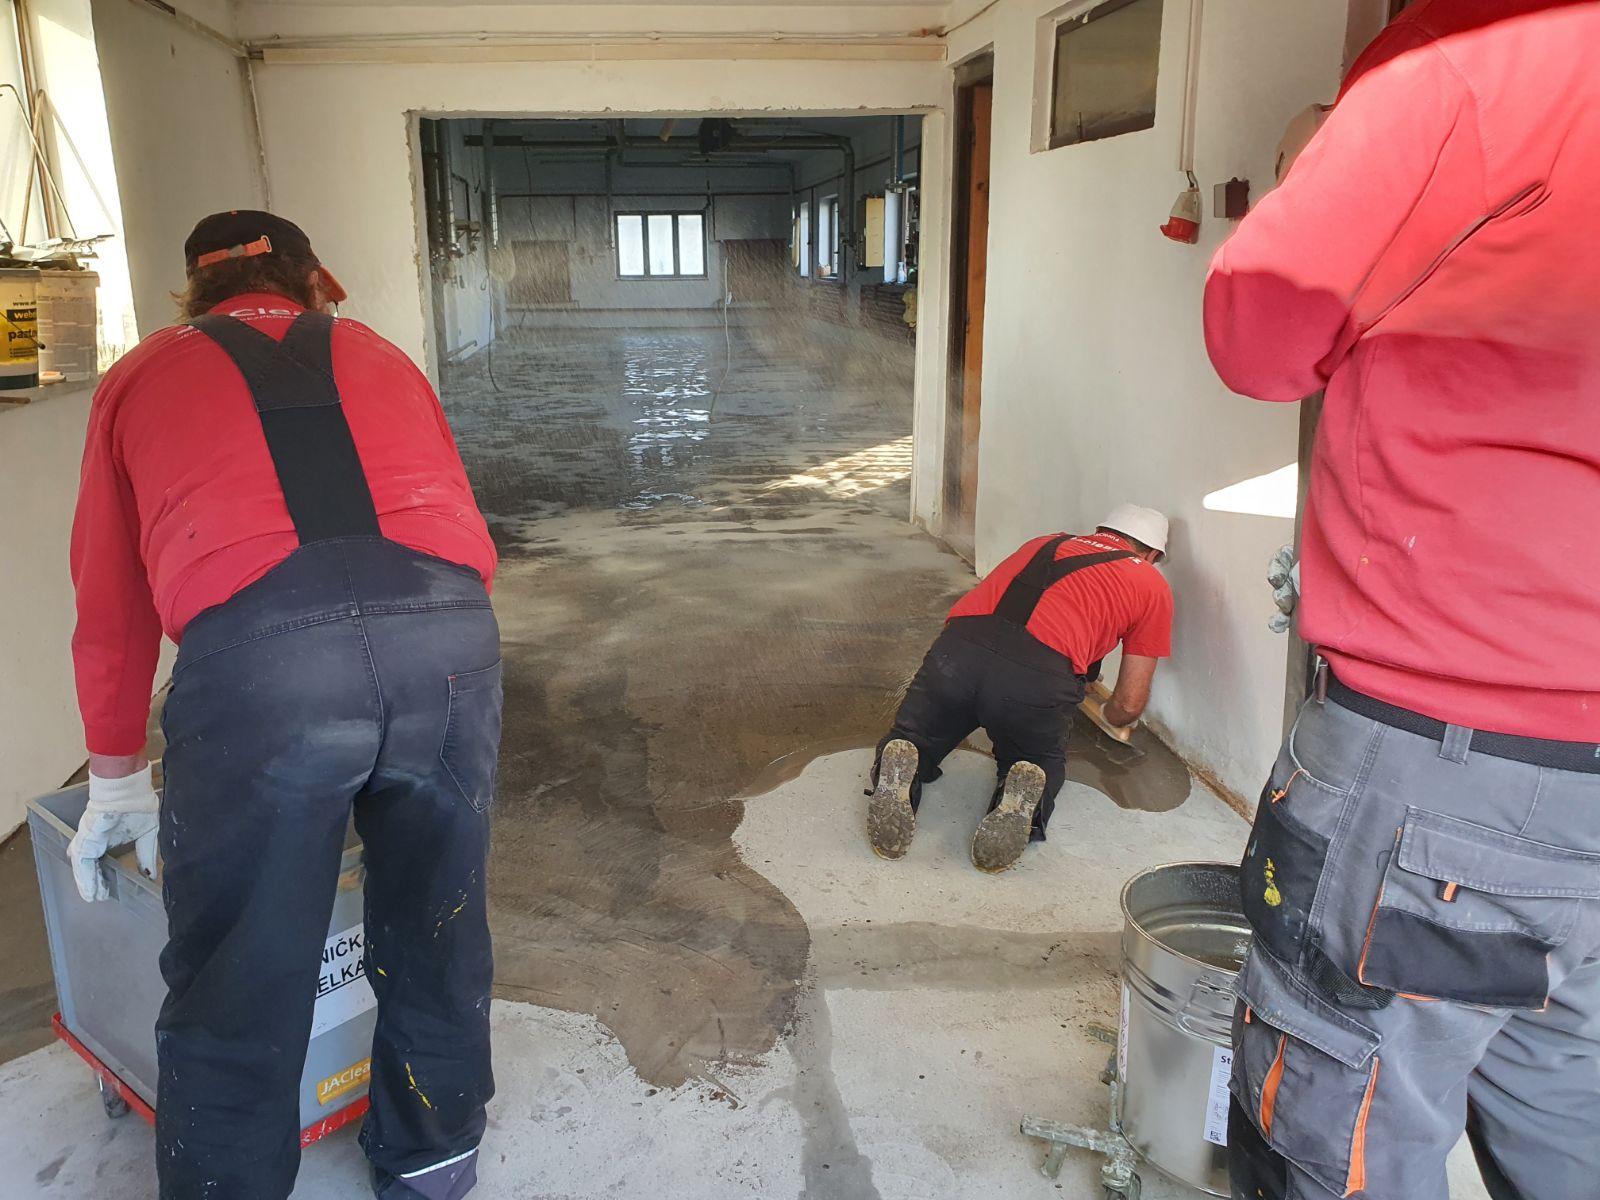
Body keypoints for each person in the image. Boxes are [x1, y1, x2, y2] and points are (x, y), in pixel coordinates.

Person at [1204, 2, 1600, 1198]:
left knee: (1332, 1148)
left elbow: (1259, 328)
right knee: (1568, 1125)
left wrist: (1315, 159)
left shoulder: (1477, 47)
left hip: (1440, 769)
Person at [68, 211, 502, 1200]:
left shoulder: (140, 375)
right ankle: (434, 1162)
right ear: (313, 283)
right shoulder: (382, 355)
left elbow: (114, 601)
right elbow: (453, 514)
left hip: (266, 667)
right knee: (437, 920)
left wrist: (116, 776)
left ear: (195, 294)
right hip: (449, 640)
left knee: (240, 967)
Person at [866, 505, 1173, 873]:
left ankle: (903, 764)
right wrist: (1107, 714)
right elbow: (1129, 704)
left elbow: (1034, 608)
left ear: (1100, 531)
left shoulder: (1045, 543)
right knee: (1035, 761)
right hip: (1035, 682)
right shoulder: (1151, 584)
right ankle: (1018, 797)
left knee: (914, 736)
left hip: (956, 654)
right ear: (1152, 555)